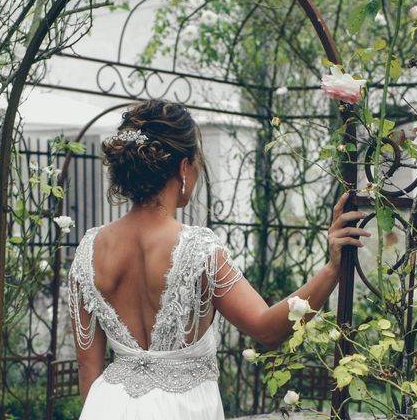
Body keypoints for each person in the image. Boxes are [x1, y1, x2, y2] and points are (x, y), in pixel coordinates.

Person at [68, 100, 370, 419]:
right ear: (185, 167)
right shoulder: (199, 249)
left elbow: (88, 371)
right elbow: (267, 330)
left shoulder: (89, 249)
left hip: (106, 407)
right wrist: (333, 269)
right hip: (182, 409)